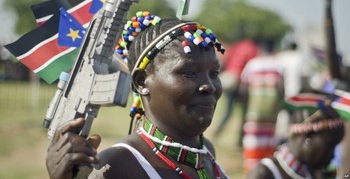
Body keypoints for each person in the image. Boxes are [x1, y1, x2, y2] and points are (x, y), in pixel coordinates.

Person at [45, 11, 229, 179]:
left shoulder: (205, 152)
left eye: (214, 74)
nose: (209, 86)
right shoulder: (116, 165)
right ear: (141, 81)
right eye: (189, 73)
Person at [247, 94, 345, 179]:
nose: (332, 156)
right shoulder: (264, 174)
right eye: (329, 147)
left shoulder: (314, 173)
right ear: (308, 137)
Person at [239, 39, 284, 172]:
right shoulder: (278, 65)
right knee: (269, 138)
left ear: (260, 50)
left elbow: (243, 87)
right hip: (271, 110)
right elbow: (281, 89)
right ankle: (267, 169)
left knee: (253, 139)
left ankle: (252, 169)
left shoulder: (252, 64)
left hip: (254, 110)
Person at [214, 39, 259, 144]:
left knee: (228, 111)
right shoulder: (253, 49)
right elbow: (250, 69)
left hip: (230, 80)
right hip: (241, 84)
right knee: (245, 113)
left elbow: (226, 60)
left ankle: (217, 132)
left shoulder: (237, 46)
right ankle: (241, 140)